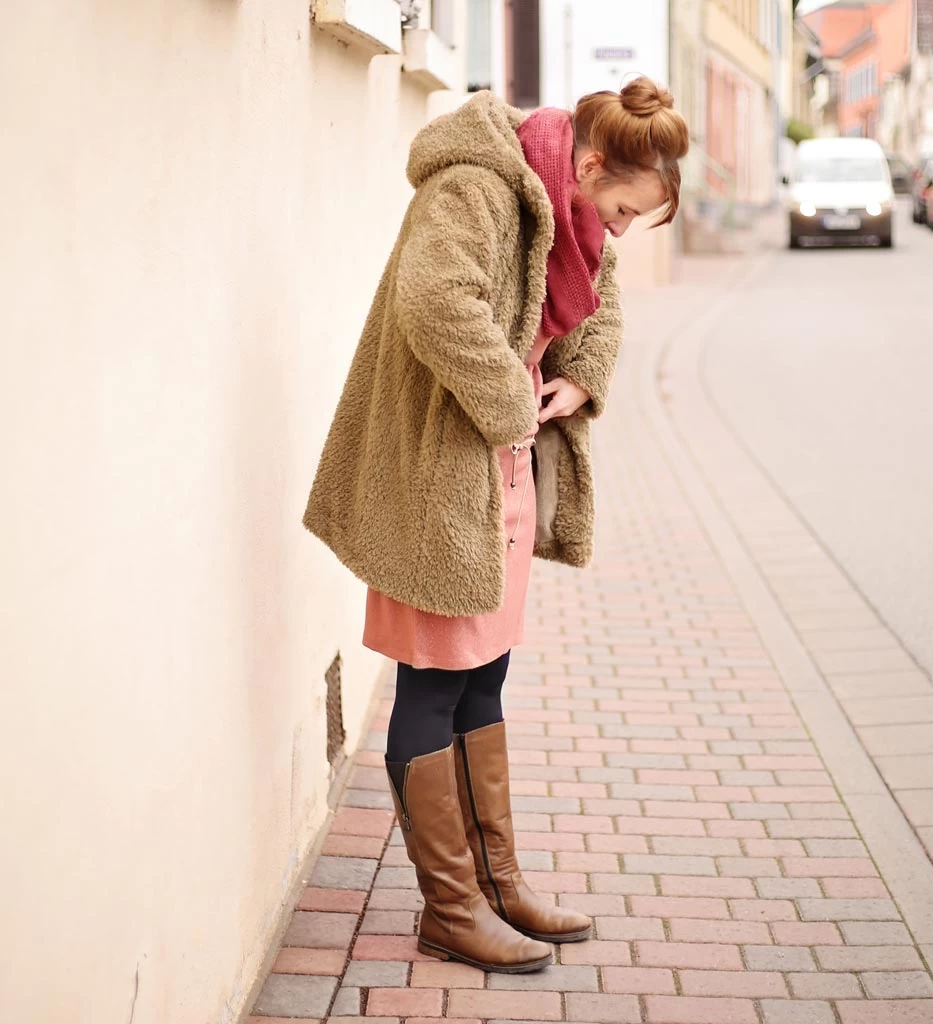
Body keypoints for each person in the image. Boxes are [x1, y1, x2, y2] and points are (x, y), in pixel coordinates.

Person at [304, 76, 689, 973]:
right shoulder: (475, 184)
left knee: (485, 678)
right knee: (433, 686)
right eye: (624, 208)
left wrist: (582, 378)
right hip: (440, 468)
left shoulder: (576, 205)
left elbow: (603, 291)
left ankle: (497, 883)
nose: (621, 229)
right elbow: (436, 301)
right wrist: (512, 405)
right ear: (591, 165)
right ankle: (449, 907)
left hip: (500, 469)